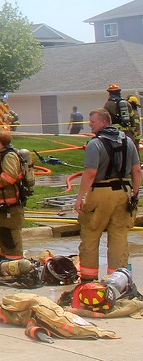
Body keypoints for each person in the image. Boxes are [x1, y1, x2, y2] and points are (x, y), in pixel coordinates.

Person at [74, 109, 141, 283]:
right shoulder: (128, 142)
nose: (89, 124)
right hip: (123, 193)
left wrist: (80, 197)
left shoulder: (94, 144)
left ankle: (88, 282)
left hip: (100, 192)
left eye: (93, 121)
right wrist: (134, 194)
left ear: (104, 122)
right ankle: (116, 280)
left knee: (90, 234)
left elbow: (90, 173)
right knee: (118, 235)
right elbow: (136, 170)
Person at [0, 130, 25, 261]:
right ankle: (5, 254)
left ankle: (15, 259)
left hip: (10, 200)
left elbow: (8, 177)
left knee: (10, 230)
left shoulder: (9, 156)